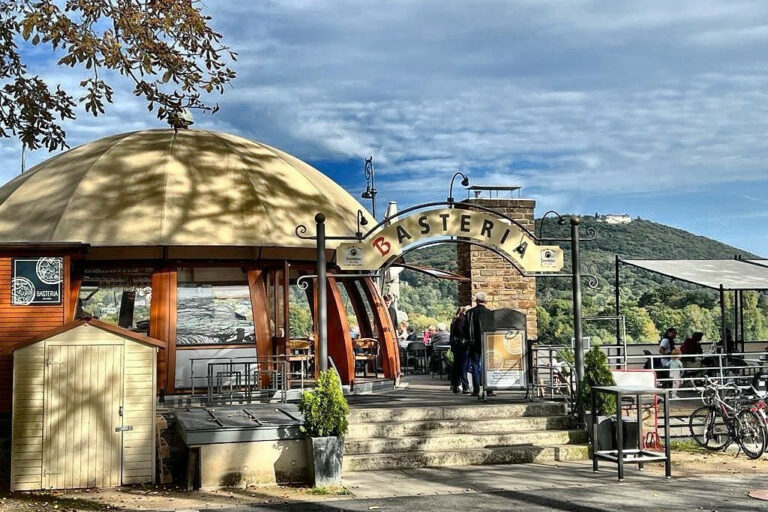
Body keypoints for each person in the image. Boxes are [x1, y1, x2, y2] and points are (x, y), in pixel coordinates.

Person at [464, 292, 493, 396]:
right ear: (485, 301)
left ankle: (476, 389)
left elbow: (465, 329)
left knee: (475, 365)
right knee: (488, 365)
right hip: (486, 342)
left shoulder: (469, 313)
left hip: (473, 343)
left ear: (476, 301)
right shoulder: (489, 313)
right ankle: (489, 388)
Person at [450, 306, 471, 394]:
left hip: (457, 346)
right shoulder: (462, 320)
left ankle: (455, 385)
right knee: (463, 366)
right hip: (462, 346)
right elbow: (460, 332)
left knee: (457, 366)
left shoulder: (457, 319)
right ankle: (465, 386)